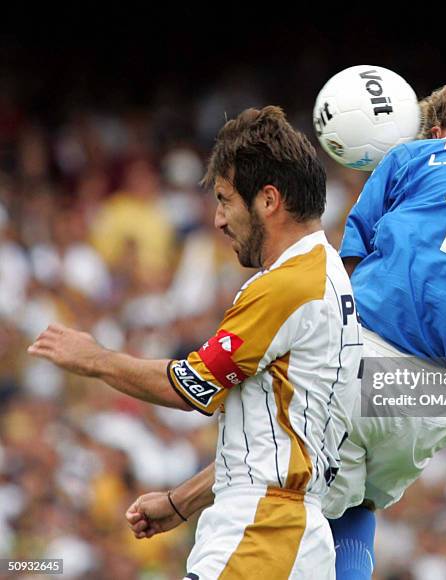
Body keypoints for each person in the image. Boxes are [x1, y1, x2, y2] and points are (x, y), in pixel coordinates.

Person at [121, 84, 446, 579]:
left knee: (284, 458)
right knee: (357, 500)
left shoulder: (418, 156)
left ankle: (190, 516)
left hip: (371, 353)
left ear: (440, 131)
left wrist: (181, 499)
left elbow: (345, 276)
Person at [28, 106, 362, 580]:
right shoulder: (331, 280)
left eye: (225, 199)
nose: (219, 220)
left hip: (260, 536)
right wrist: (181, 502)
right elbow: (275, 451)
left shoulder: (288, 286)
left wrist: (96, 359)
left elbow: (191, 388)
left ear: (268, 200)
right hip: (293, 538)